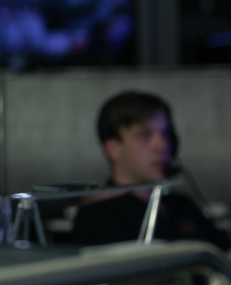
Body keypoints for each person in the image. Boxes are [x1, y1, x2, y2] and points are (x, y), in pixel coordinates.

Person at [70, 91, 229, 252]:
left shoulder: (181, 205)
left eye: (165, 133)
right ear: (113, 148)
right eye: (145, 135)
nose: (162, 145)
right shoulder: (97, 217)